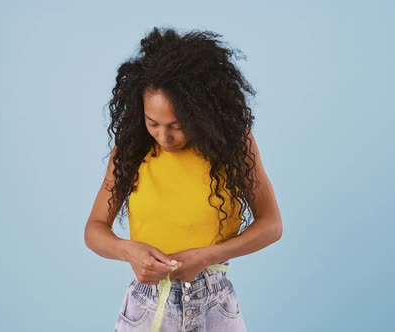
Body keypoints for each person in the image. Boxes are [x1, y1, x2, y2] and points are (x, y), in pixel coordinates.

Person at [84, 26, 283, 332]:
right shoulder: (130, 151)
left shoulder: (234, 145)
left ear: (201, 113)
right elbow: (94, 230)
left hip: (215, 305)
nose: (164, 136)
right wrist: (129, 251)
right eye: (153, 123)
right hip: (149, 307)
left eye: (177, 125)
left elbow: (272, 225)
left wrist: (209, 255)